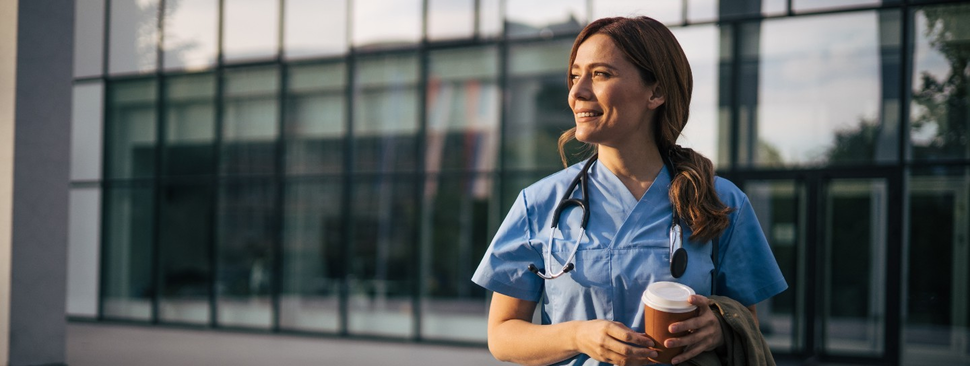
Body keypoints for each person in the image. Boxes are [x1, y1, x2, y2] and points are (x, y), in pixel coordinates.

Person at [471, 16, 787, 366]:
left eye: (601, 74)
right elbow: (502, 335)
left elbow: (749, 323)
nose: (577, 92)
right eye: (575, 76)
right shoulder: (541, 204)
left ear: (656, 92)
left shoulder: (720, 202)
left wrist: (720, 327)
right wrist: (577, 336)